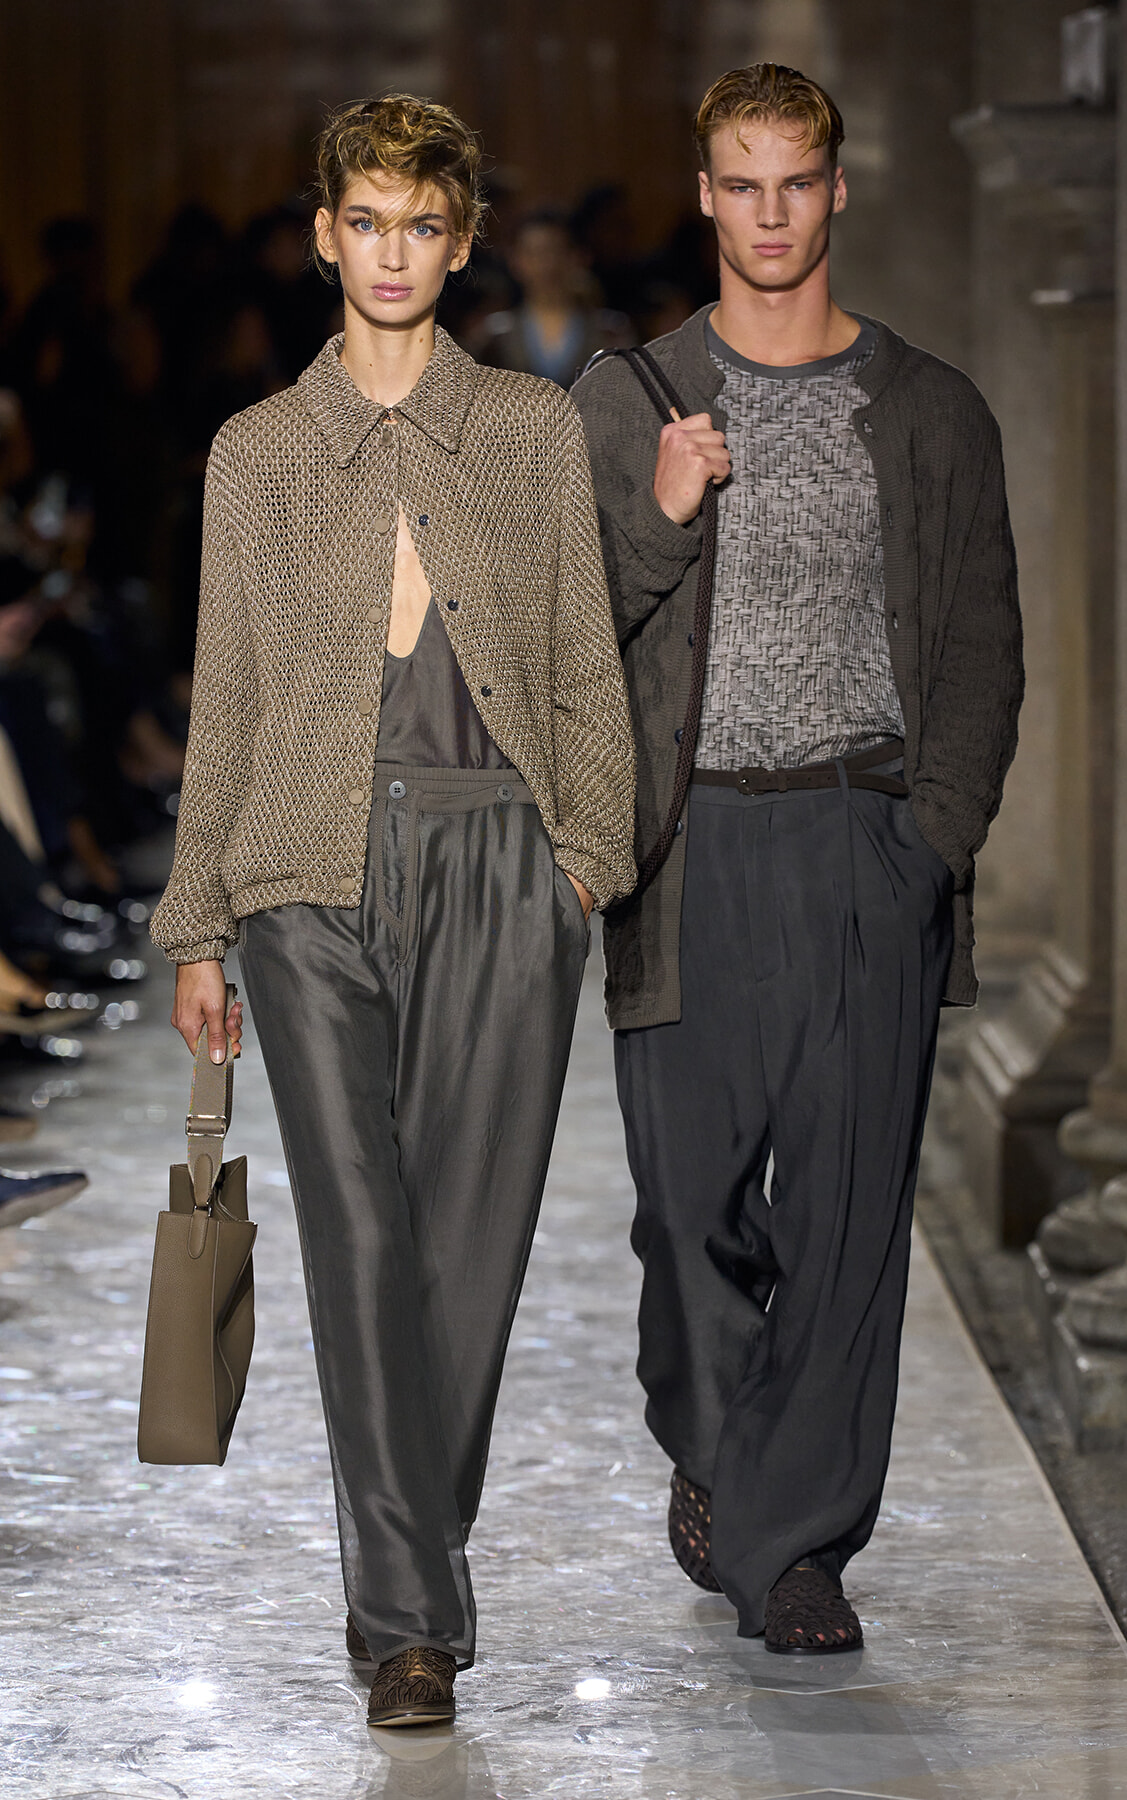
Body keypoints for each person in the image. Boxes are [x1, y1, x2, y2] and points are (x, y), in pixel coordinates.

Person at [151, 93, 636, 1728]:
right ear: (322, 235)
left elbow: (581, 664)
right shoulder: (259, 454)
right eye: (365, 221)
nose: (391, 252)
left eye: (422, 225)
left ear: (461, 241)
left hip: (505, 858)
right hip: (308, 871)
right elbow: (228, 696)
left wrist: (585, 860)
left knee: (469, 1252)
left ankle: (410, 1569)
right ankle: (411, 1624)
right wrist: (200, 921)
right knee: (360, 1239)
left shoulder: (530, 432)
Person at [572, 63, 1022, 1656]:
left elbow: (981, 646)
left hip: (862, 840)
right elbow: (569, 634)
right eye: (742, 184)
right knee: (686, 1216)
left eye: (798, 182)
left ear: (836, 190)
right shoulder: (625, 401)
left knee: (844, 1222)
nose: (771, 213)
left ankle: (796, 1550)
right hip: (687, 852)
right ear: (706, 195)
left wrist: (928, 843)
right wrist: (663, 511)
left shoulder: (933, 410)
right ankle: (721, 1447)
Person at [474, 209, 630, 387]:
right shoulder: (494, 337)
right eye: (534, 253)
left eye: (555, 251)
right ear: (515, 260)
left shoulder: (610, 332)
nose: (546, 264)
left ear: (578, 257)